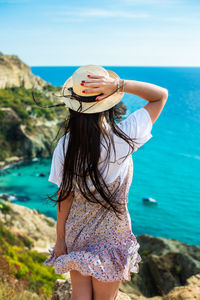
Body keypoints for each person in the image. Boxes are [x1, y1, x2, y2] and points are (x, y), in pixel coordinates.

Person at [43, 65, 168, 300]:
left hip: (77, 232)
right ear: (108, 101)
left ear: (75, 105)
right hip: (113, 237)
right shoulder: (124, 138)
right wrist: (118, 85)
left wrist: (60, 240)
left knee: (80, 296)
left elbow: (65, 197)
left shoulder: (66, 145)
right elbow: (160, 95)